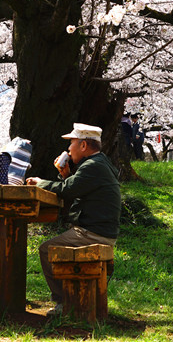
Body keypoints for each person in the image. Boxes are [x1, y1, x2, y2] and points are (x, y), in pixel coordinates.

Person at [26, 123, 121, 316]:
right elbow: (75, 187)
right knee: (50, 248)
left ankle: (63, 301)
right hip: (102, 231)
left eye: (72, 143)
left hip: (93, 234)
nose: (69, 149)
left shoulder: (92, 166)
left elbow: (66, 190)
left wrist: (40, 183)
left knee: (46, 250)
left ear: (84, 146)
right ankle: (69, 299)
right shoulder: (100, 163)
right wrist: (66, 175)